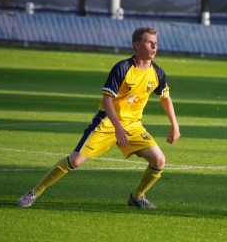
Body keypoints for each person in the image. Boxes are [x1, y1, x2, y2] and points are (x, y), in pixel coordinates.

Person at [17, 27, 181, 209]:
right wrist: (117, 126)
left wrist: (175, 126)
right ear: (136, 45)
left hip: (133, 125)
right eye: (150, 42)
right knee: (76, 160)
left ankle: (137, 196)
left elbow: (165, 98)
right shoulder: (123, 68)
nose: (154, 46)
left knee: (159, 160)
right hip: (107, 122)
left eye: (156, 43)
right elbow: (106, 99)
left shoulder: (157, 73)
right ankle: (35, 192)